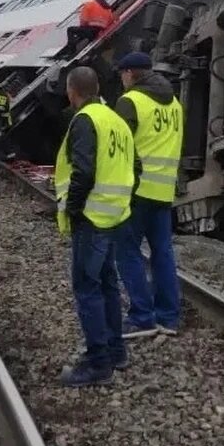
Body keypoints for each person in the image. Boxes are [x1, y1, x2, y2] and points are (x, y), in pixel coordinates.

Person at [54, 66, 138, 387]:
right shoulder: (116, 120)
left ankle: (97, 363)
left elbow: (83, 172)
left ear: (72, 91)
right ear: (98, 86)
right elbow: (136, 167)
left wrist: (74, 209)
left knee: (87, 288)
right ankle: (116, 351)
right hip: (114, 215)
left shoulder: (85, 120)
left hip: (91, 218)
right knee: (107, 285)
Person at [113, 51, 185, 338]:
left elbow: (119, 147)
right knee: (162, 253)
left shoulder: (130, 101)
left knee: (127, 251)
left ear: (130, 73)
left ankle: (142, 317)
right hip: (164, 191)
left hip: (136, 190)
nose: (121, 79)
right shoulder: (176, 104)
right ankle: (168, 317)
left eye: (122, 74)